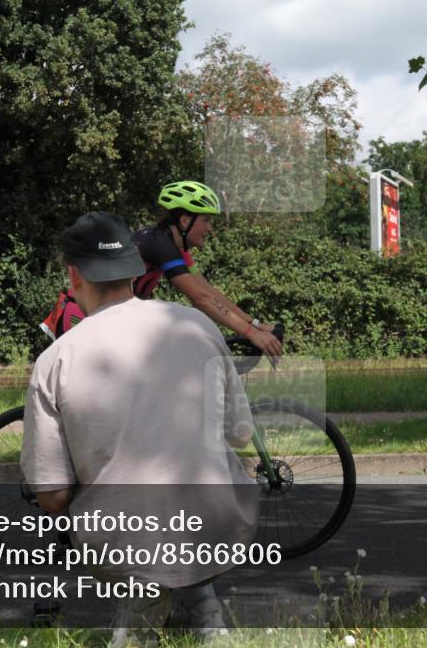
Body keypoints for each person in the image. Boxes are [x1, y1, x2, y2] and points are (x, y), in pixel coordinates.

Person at [21, 211, 260, 645]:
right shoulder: (197, 325)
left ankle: (142, 611)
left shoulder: (55, 359)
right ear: (134, 269)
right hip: (219, 525)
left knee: (128, 507)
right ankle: (203, 611)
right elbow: (240, 433)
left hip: (122, 538)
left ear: (74, 275)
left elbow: (52, 497)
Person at [39, 181, 282, 359]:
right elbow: (200, 298)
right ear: (185, 221)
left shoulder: (175, 247)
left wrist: (254, 324)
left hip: (111, 316)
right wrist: (251, 333)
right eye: (206, 220)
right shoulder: (159, 243)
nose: (210, 228)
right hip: (82, 313)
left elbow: (208, 291)